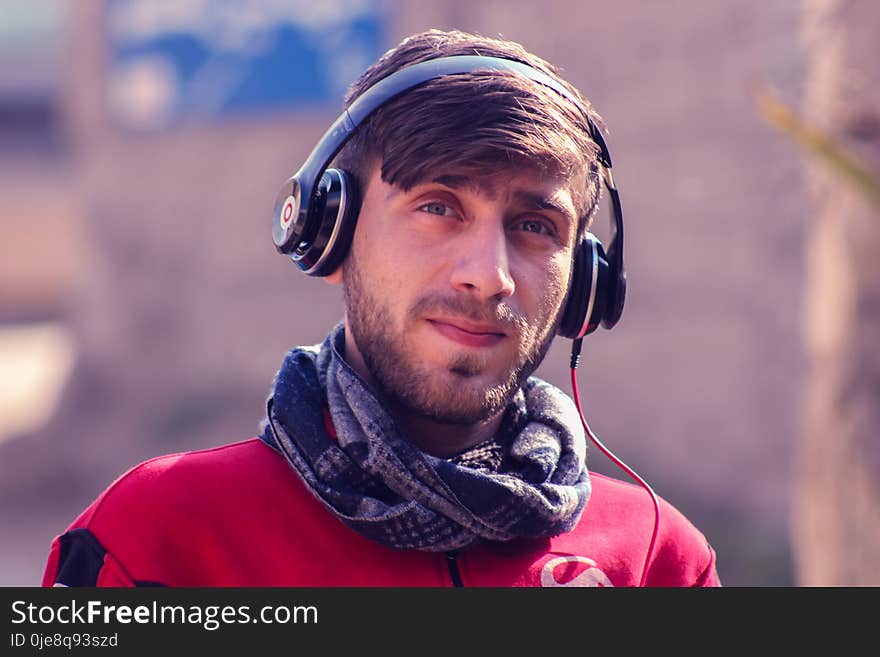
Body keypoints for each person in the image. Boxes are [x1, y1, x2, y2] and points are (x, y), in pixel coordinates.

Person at [42, 29, 720, 587]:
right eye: (437, 207)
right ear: (329, 232)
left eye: (535, 226)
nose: (489, 277)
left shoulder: (658, 560)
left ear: (584, 286)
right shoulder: (161, 536)